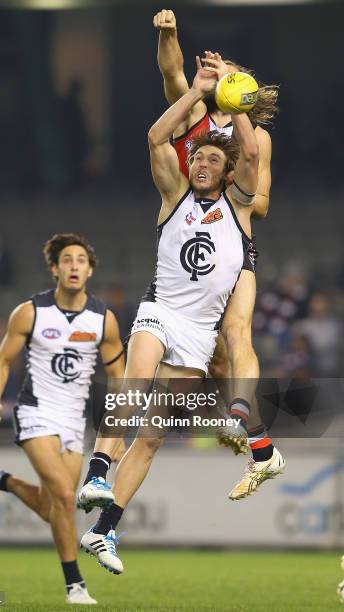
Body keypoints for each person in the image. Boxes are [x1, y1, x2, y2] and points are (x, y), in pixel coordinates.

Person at [79, 55, 284, 575]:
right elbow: (154, 139)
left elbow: (254, 155)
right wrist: (196, 91)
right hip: (161, 312)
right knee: (134, 379)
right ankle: (99, 469)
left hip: (198, 334)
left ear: (229, 169)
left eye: (214, 161)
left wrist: (239, 98)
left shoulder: (238, 208)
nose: (202, 164)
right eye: (198, 159)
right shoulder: (173, 197)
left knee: (150, 437)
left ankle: (103, 533)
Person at [153, 9, 282, 497]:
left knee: (237, 334)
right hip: (186, 239)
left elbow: (262, 202)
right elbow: (171, 72)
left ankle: (243, 420)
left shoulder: (256, 138)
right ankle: (246, 434)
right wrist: (170, 34)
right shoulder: (192, 117)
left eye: (227, 72)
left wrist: (239, 195)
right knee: (215, 363)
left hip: (232, 238)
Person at [0, 233, 125, 605]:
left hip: (72, 420)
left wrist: (116, 425)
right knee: (66, 498)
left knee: (56, 507)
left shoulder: (104, 320)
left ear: (90, 270)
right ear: (54, 268)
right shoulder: (30, 312)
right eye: (66, 260)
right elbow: (1, 361)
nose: (73, 266)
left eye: (81, 260)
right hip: (35, 412)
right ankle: (75, 586)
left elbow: (120, 378)